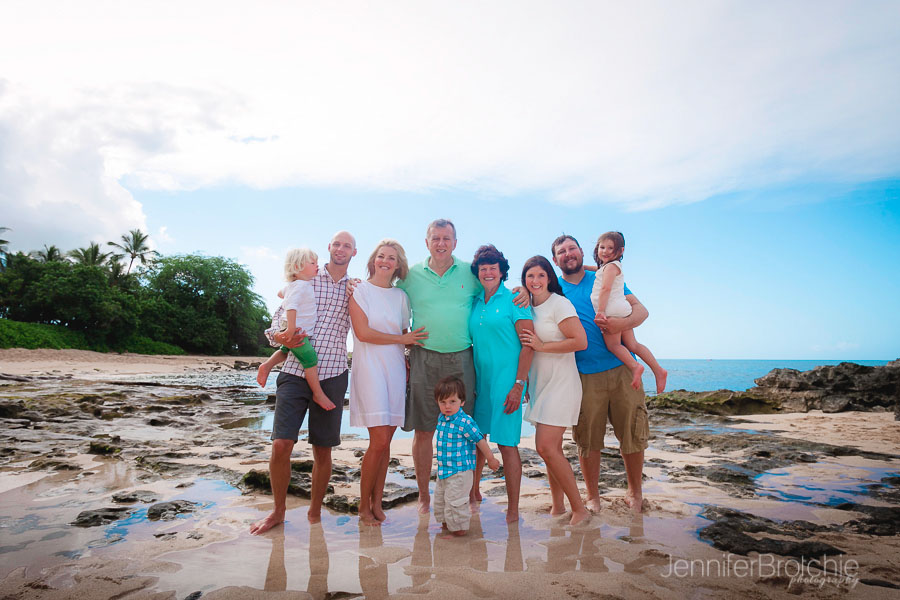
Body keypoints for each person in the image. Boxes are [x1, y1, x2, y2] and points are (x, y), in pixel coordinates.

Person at [250, 231, 358, 534]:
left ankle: (314, 513)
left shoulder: (355, 289)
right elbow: (275, 324)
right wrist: (279, 336)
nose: (340, 249)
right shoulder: (306, 276)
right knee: (282, 443)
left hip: (335, 372)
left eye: (346, 245)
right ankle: (278, 512)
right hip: (295, 371)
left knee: (323, 450)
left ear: (354, 252)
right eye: (336, 243)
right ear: (329, 248)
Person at [551, 234, 650, 514]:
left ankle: (635, 493)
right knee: (587, 440)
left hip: (622, 369)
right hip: (582, 375)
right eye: (561, 251)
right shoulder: (554, 289)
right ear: (556, 260)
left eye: (572, 248)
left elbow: (641, 312)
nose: (568, 254)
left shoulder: (603, 276)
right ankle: (592, 497)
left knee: (632, 434)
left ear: (583, 251)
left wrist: (619, 322)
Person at [395, 218, 482, 514]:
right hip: (424, 357)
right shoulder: (411, 275)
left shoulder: (471, 273)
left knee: (468, 428)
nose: (441, 243)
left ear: (455, 243)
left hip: (463, 357)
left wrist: (523, 289)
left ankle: (471, 492)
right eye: (436, 238)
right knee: (423, 429)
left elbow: (497, 290)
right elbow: (383, 290)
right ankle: (423, 495)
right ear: (427, 242)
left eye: (447, 238)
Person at [348, 239, 428, 526]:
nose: (385, 261)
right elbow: (364, 333)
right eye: (381, 256)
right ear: (373, 260)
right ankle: (362, 506)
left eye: (391, 258)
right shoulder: (359, 290)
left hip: (395, 370)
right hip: (369, 369)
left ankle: (377, 503)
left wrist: (406, 354)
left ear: (398, 264)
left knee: (387, 443)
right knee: (378, 440)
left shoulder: (401, 297)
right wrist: (401, 340)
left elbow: (406, 331)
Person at [518, 255, 591, 526]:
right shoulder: (528, 306)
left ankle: (579, 509)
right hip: (539, 385)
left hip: (562, 384)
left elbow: (580, 341)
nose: (535, 281)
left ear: (549, 277)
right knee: (553, 450)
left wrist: (542, 346)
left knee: (545, 447)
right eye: (529, 276)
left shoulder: (560, 304)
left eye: (540, 275)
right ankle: (558, 506)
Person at [467, 244, 534, 521]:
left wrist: (519, 385)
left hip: (508, 382)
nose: (487, 272)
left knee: (507, 444)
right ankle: (473, 492)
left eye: (493, 268)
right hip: (480, 381)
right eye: (483, 269)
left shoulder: (515, 301)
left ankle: (513, 508)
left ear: (502, 272)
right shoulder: (475, 302)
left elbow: (529, 345)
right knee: (477, 438)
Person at [255, 248, 335, 411]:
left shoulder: (294, 285)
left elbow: (280, 293)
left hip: (292, 327)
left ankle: (267, 365)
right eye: (312, 263)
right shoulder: (301, 286)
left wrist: (289, 293)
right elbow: (291, 306)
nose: (317, 266)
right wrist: (291, 329)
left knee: (286, 350)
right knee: (310, 359)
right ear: (298, 266)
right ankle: (318, 393)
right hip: (296, 330)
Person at [590, 231, 667, 393]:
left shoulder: (610, 267)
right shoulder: (609, 267)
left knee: (614, 345)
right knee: (632, 344)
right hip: (622, 309)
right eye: (601, 247)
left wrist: (602, 311)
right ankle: (658, 370)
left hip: (612, 310)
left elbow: (605, 288)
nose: (604, 251)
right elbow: (598, 271)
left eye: (610, 248)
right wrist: (583, 268)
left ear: (620, 251)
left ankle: (635, 366)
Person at [433, 376, 500, 537]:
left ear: (462, 402)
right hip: (443, 471)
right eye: (443, 402)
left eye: (452, 401)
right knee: (441, 500)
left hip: (460, 472)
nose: (447, 406)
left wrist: (490, 458)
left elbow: (480, 440)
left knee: (455, 502)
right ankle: (446, 525)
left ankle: (459, 530)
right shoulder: (442, 419)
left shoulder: (465, 421)